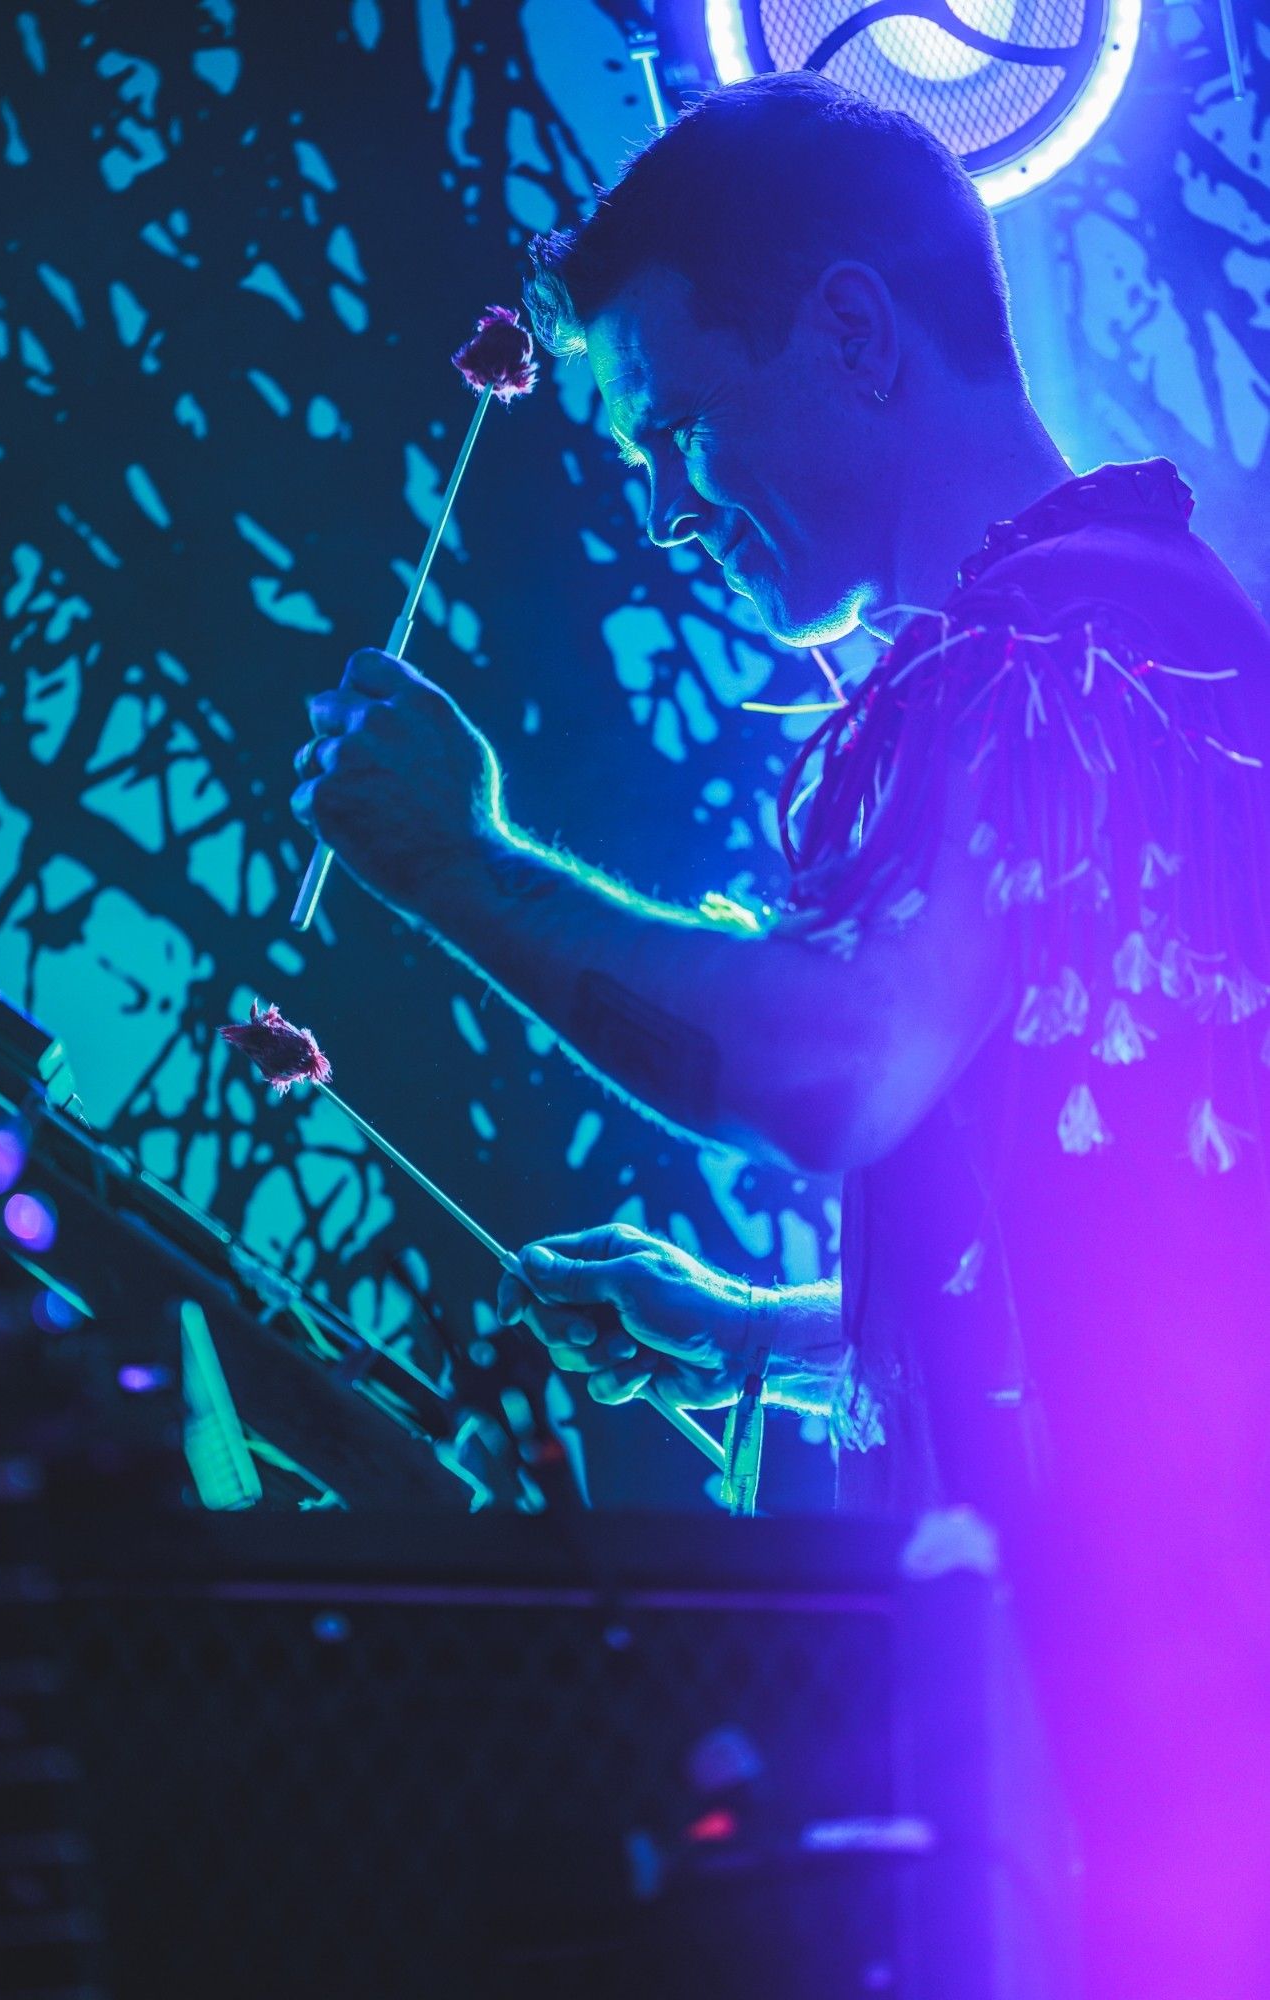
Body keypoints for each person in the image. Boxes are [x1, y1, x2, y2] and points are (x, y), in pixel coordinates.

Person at [291, 74, 1270, 1998]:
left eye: (679, 434)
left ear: (845, 330)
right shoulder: (1155, 640)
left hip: (1132, 1782)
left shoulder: (1045, 658)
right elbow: (1132, 1242)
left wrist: (454, 860)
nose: (665, 516)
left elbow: (839, 1063)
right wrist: (763, 1331)